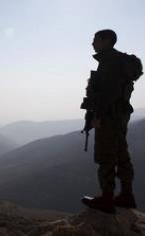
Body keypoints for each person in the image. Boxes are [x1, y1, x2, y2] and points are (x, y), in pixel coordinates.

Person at [81, 29, 138, 214]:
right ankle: (126, 195)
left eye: (95, 39)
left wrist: (97, 116)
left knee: (106, 155)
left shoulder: (109, 61)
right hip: (120, 115)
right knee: (121, 152)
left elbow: (108, 93)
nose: (92, 43)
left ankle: (107, 199)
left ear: (106, 41)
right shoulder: (119, 60)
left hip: (109, 116)